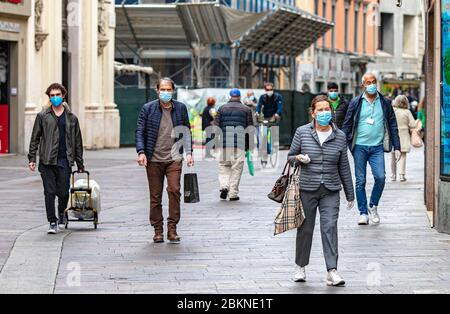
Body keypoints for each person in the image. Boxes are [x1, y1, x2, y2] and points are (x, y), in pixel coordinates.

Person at [288, 95, 355, 287]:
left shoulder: (340, 135)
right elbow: (290, 157)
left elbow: (344, 166)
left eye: (327, 109)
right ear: (313, 113)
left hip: (331, 189)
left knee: (329, 227)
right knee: (305, 229)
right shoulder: (302, 132)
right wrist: (299, 157)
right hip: (307, 188)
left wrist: (350, 194)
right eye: (320, 110)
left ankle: (332, 271)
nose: (325, 113)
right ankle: (300, 266)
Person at [135, 78, 194, 244]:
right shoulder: (148, 109)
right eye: (163, 89)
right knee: (155, 196)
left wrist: (189, 153)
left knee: (174, 190)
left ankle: (172, 227)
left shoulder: (180, 108)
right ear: (157, 90)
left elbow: (186, 132)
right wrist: (141, 152)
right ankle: (158, 230)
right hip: (153, 159)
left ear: (173, 91)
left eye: (169, 89)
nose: (166, 92)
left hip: (174, 158)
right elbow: (140, 131)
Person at [342, 73, 401, 226]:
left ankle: (372, 205)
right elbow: (347, 125)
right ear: (363, 85)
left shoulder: (385, 102)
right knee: (360, 180)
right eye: (368, 82)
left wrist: (397, 147)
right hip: (359, 147)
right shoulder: (355, 102)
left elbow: (393, 124)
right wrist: (344, 144)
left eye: (373, 82)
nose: (371, 84)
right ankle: (363, 213)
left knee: (380, 177)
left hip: (377, 147)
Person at [28, 83, 84, 235]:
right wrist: (32, 158)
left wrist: (80, 163)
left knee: (64, 193)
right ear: (49, 97)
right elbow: (35, 138)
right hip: (47, 160)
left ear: (63, 95)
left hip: (64, 160)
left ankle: (61, 214)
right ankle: (52, 221)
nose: (55, 98)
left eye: (57, 95)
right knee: (49, 192)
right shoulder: (42, 116)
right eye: (52, 95)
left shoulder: (72, 118)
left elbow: (78, 141)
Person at [214, 88, 253, 201]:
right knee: (236, 168)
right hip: (240, 144)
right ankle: (233, 194)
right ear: (240, 97)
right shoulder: (246, 109)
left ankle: (224, 186)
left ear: (229, 96)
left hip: (225, 143)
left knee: (224, 166)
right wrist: (249, 146)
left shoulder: (222, 108)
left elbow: (216, 127)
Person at [390, 95, 417, 182]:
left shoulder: (393, 111)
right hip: (404, 135)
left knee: (393, 156)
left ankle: (393, 175)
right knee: (403, 156)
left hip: (394, 135)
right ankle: (402, 175)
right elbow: (413, 124)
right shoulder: (407, 112)